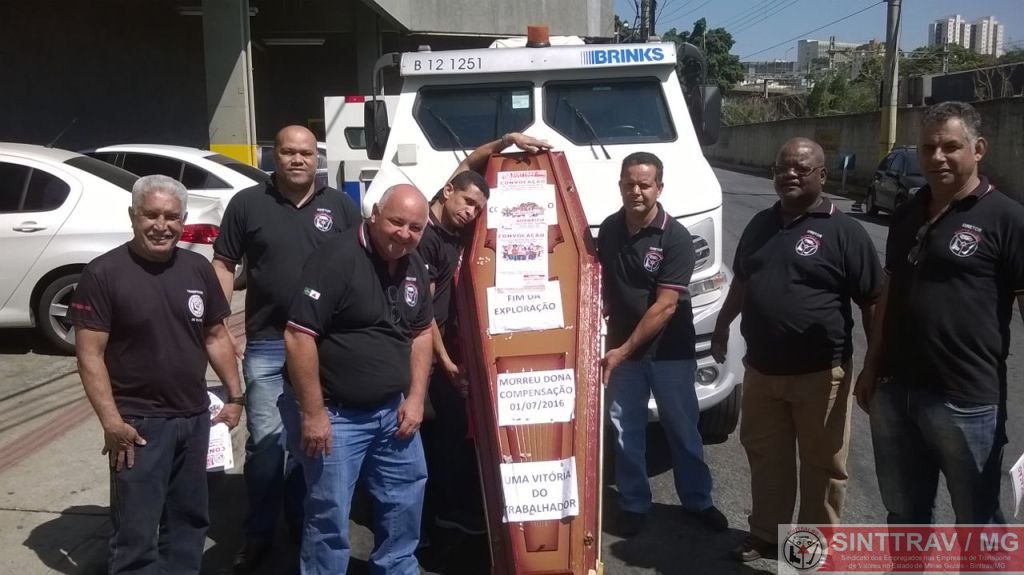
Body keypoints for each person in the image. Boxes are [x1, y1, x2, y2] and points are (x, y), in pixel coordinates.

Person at [711, 137, 882, 561]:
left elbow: (873, 301)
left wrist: (874, 364)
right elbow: (743, 281)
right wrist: (722, 323)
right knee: (766, 457)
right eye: (782, 168)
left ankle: (809, 548)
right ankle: (766, 533)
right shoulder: (760, 225)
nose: (789, 174)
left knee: (822, 465)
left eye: (801, 168)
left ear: (822, 175)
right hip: (762, 370)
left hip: (821, 375)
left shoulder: (845, 232)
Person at [857, 101, 1024, 525]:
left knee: (977, 522)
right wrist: (872, 366)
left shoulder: (1007, 219)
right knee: (903, 514)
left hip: (965, 400)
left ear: (978, 149)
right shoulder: (907, 213)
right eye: (928, 148)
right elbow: (890, 292)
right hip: (895, 393)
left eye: (950, 147)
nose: (937, 157)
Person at [69, 174, 244, 574]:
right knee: (136, 533)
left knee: (189, 523)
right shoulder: (103, 273)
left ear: (183, 220)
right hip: (138, 425)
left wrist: (235, 397)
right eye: (151, 215)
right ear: (133, 216)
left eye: (171, 216)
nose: (161, 225)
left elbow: (216, 335)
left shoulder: (197, 269)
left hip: (194, 418)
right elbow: (89, 356)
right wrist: (112, 422)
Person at [211, 125, 362, 571]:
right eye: (288, 152)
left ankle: (301, 527)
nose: (297, 159)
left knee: (309, 442)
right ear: (273, 156)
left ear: (317, 158)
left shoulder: (340, 206)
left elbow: (360, 264)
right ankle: (259, 532)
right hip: (267, 342)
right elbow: (224, 263)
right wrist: (219, 322)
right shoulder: (247, 204)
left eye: (306, 153)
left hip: (322, 346)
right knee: (266, 444)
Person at [280, 184, 433, 574]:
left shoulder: (413, 263)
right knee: (330, 514)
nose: (404, 234)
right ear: (375, 214)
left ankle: (397, 568)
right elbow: (298, 337)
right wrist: (313, 413)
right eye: (397, 222)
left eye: (415, 227)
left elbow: (421, 333)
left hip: (392, 411)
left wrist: (416, 398)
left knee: (405, 499)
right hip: (336, 415)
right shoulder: (336, 258)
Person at [418, 132, 550, 543]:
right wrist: (446, 362)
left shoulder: (451, 219)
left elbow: (469, 163)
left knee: (451, 428)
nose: (471, 213)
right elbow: (423, 314)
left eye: (478, 208)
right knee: (431, 431)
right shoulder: (424, 235)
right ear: (447, 192)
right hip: (422, 349)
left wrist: (507, 140)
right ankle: (433, 518)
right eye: (467, 203)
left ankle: (443, 509)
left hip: (443, 345)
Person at [597, 151, 727, 537]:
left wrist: (621, 351)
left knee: (682, 428)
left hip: (668, 351)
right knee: (626, 430)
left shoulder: (676, 237)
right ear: (620, 186)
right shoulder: (609, 229)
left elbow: (666, 306)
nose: (636, 191)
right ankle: (634, 503)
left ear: (659, 188)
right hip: (623, 351)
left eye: (644, 184)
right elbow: (604, 284)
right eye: (629, 184)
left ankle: (698, 501)